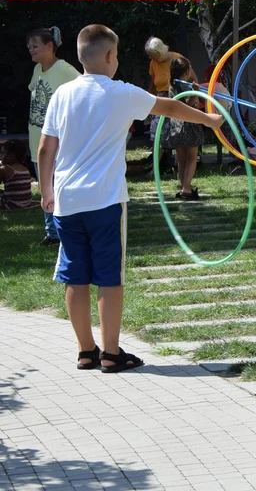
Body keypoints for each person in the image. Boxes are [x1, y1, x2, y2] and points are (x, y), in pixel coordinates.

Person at [38, 24, 224, 372]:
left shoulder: (62, 94)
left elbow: (47, 147)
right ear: (111, 57)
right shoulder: (121, 93)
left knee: (74, 276)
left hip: (66, 201)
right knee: (109, 277)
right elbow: (170, 107)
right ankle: (111, 353)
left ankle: (85, 350)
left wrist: (47, 191)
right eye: (118, 54)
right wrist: (210, 120)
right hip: (105, 200)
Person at [27, 27, 81, 244]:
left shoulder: (65, 70)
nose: (31, 50)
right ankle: (52, 232)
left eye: (35, 46)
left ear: (50, 46)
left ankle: (63, 230)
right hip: (37, 140)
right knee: (45, 186)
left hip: (57, 143)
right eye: (29, 47)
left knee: (58, 186)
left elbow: (83, 94)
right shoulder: (38, 69)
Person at [162, 57, 206, 201]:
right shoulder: (185, 86)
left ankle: (184, 187)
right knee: (192, 158)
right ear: (187, 71)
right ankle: (186, 188)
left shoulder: (172, 85)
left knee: (181, 160)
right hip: (189, 124)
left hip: (176, 126)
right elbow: (187, 106)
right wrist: (195, 92)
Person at [144, 37, 184, 170]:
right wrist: (148, 101)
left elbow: (191, 79)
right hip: (160, 99)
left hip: (176, 98)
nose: (151, 58)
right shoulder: (153, 63)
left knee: (177, 134)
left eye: (152, 55)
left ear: (160, 52)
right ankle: (155, 169)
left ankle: (179, 167)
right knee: (157, 134)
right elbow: (152, 84)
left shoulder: (177, 59)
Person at [0, 140, 34, 210]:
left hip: (10, 204)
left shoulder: (4, 169)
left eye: (3, 153)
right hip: (26, 203)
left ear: (11, 156)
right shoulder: (25, 168)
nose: (1, 156)